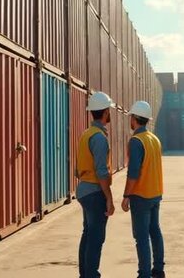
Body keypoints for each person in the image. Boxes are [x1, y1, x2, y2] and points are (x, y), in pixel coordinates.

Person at [121, 101, 165, 278]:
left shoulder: (136, 141)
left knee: (141, 237)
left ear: (134, 118)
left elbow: (133, 173)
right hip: (156, 193)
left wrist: (126, 196)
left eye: (130, 117)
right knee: (155, 231)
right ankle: (159, 270)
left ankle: (144, 274)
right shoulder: (154, 139)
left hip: (141, 195)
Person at [76, 91, 116, 278]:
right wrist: (109, 198)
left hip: (84, 189)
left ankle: (85, 274)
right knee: (96, 237)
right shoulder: (99, 138)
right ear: (106, 112)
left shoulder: (87, 134)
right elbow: (101, 172)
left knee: (88, 234)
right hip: (94, 192)